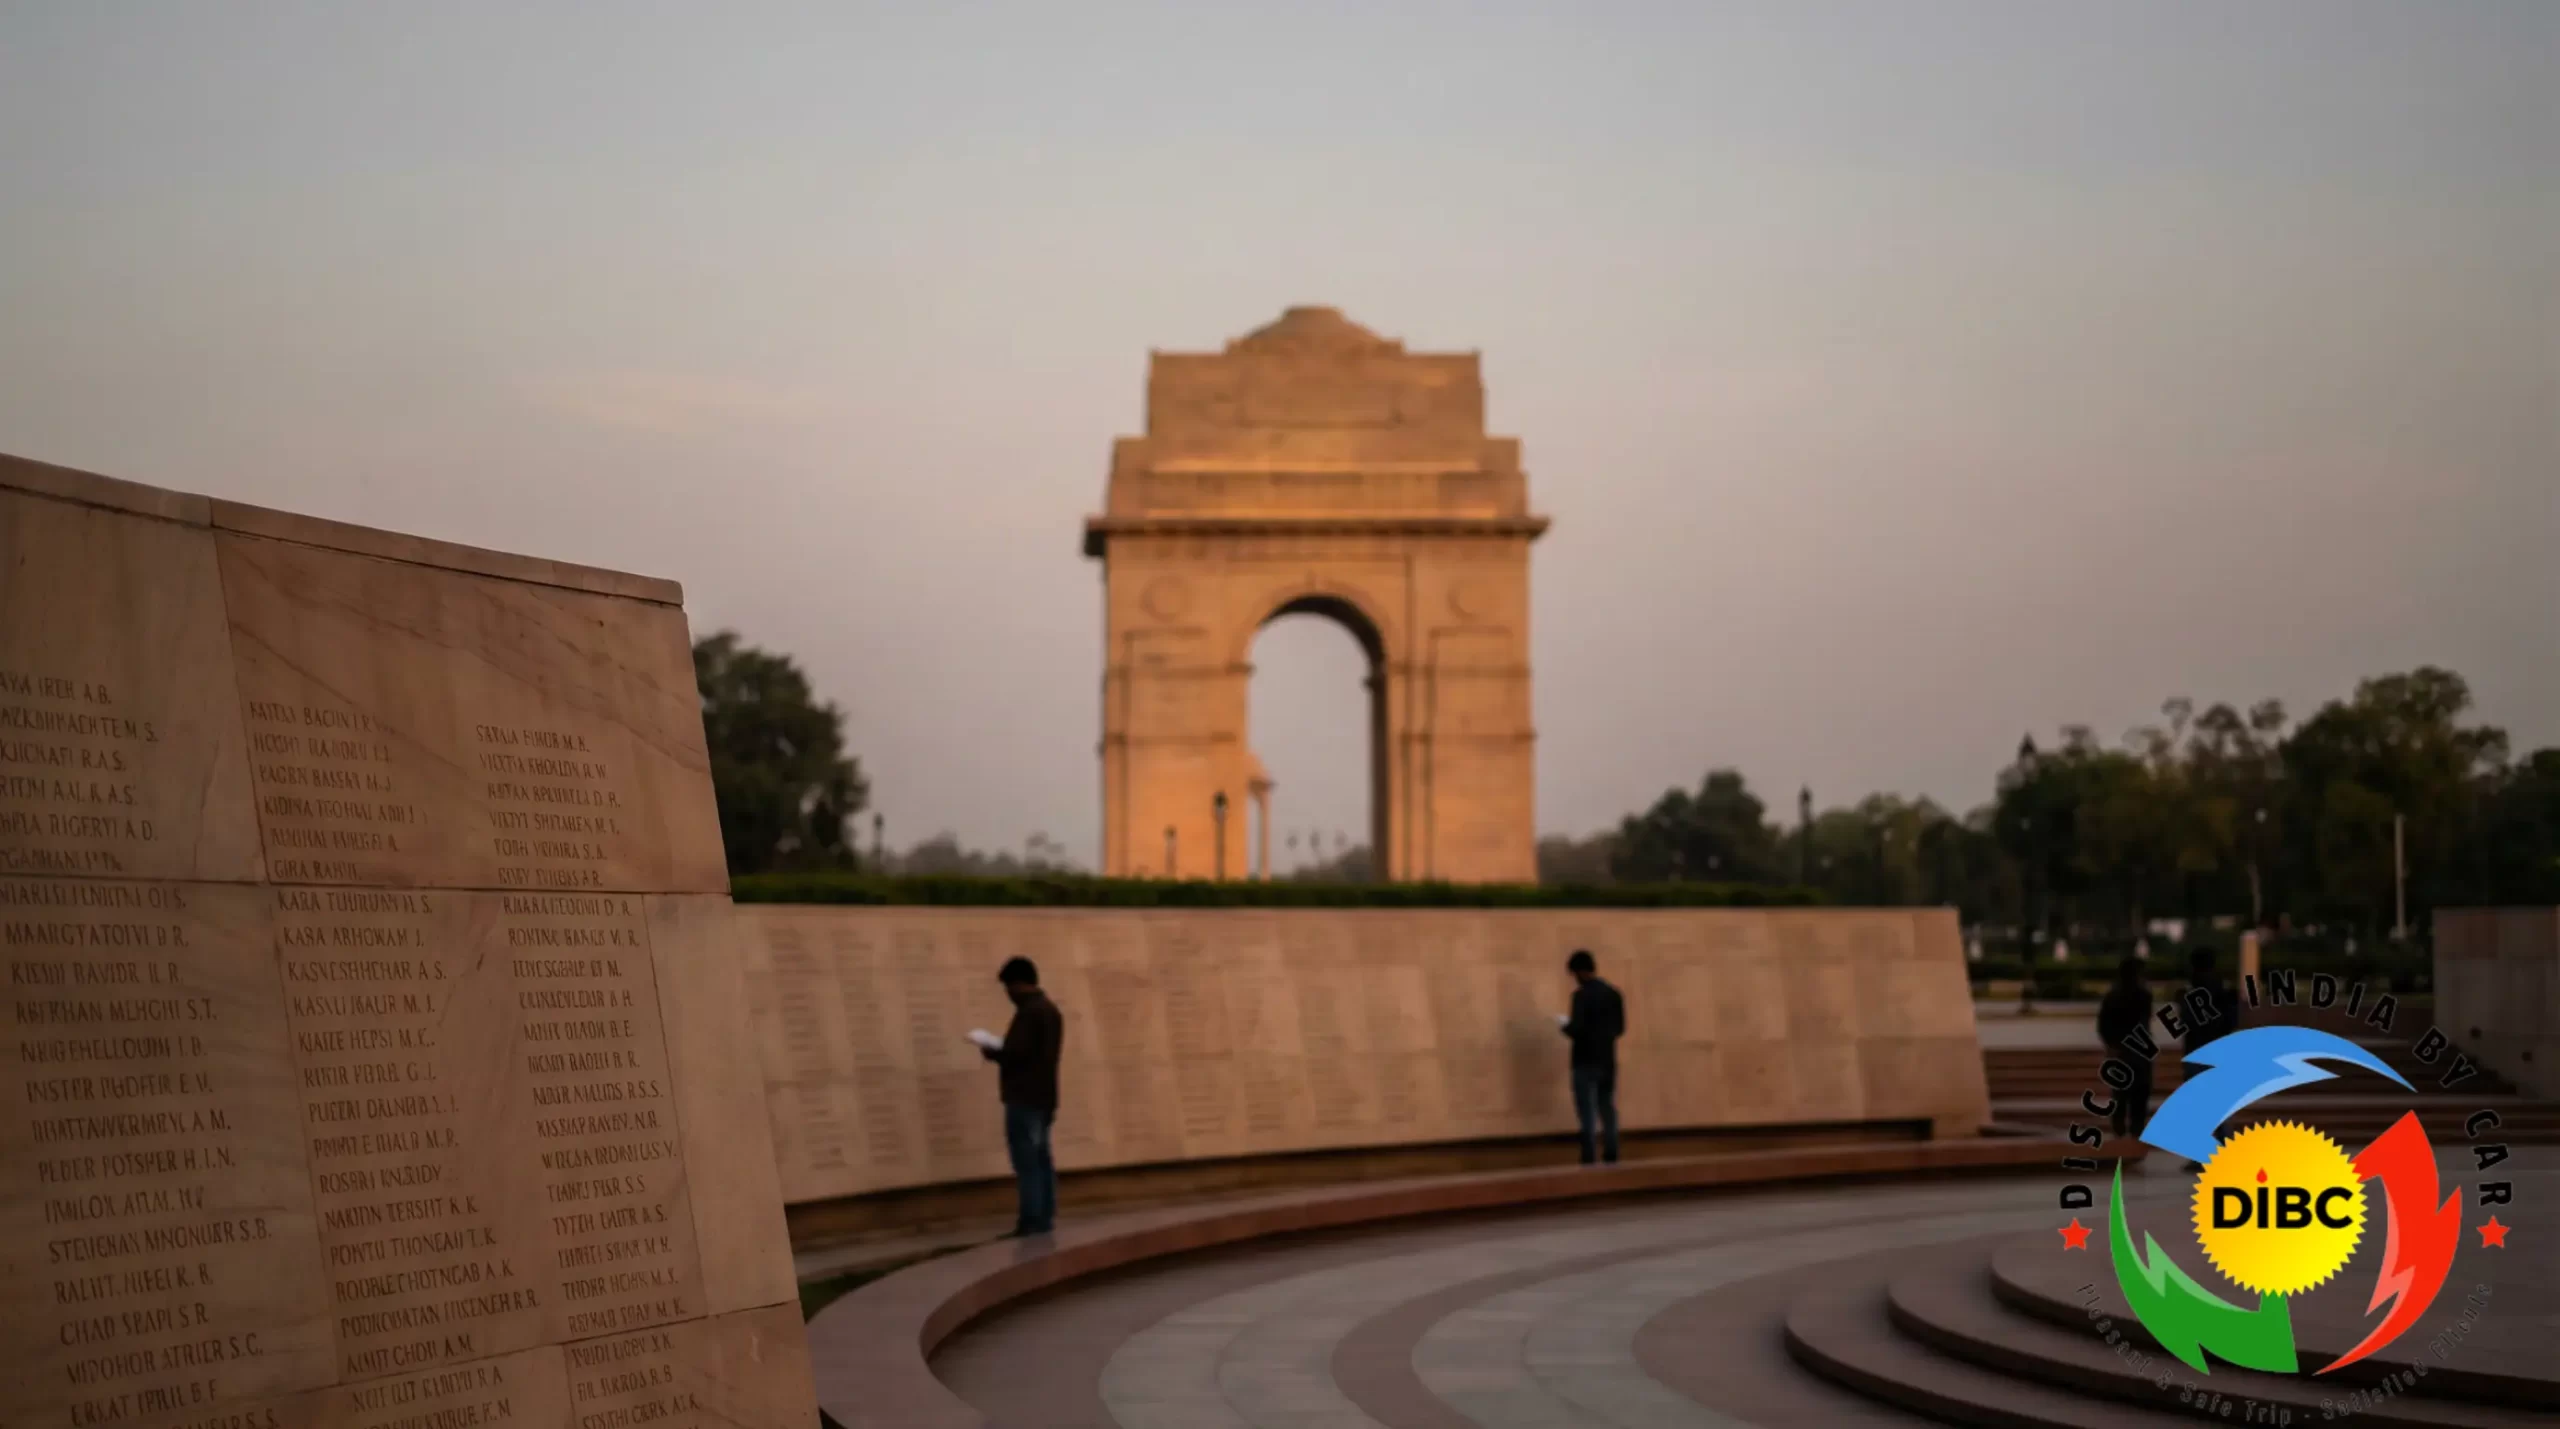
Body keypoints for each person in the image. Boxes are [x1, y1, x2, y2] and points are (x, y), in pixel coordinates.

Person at [978, 956, 1065, 1236]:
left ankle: (1031, 1221)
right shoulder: (1050, 1010)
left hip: (1024, 1098)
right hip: (1044, 1097)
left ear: (1018, 984)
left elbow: (1018, 1054)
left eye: (1008, 987)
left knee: (1027, 1162)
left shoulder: (1030, 1012)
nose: (1007, 994)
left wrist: (993, 1052)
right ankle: (1045, 1216)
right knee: (1041, 1160)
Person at [1559, 949, 1626, 1165]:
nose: (1574, 979)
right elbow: (1620, 1028)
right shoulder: (1614, 994)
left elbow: (1576, 1029)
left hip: (1584, 1060)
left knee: (1586, 1109)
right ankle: (1611, 1151)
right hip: (1607, 1059)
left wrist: (1564, 1027)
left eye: (1574, 974)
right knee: (1607, 1105)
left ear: (1579, 971)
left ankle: (1589, 1155)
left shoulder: (1580, 996)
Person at [2095, 956, 2153, 1139]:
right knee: (2139, 1097)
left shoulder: (2112, 996)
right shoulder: (2144, 995)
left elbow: (2103, 1024)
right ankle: (2135, 1134)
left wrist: (2110, 1045)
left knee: (2120, 1096)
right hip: (2139, 1052)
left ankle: (2119, 1134)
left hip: (2119, 1052)